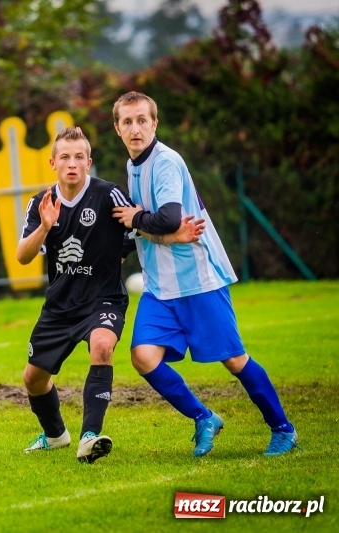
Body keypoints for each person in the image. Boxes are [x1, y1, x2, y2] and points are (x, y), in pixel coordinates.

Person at [111, 91, 298, 457]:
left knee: (234, 359)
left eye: (142, 120)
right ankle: (203, 417)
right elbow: (160, 226)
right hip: (160, 286)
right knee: (143, 356)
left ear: (155, 123)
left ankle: (283, 428)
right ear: (117, 128)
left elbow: (164, 217)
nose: (136, 128)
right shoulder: (133, 166)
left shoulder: (165, 161)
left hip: (197, 279)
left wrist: (138, 222)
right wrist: (140, 233)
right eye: (128, 122)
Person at [18, 126, 203, 462]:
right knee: (33, 379)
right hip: (59, 306)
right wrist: (45, 226)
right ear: (52, 163)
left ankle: (90, 436)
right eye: (64, 157)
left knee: (102, 346)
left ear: (88, 161)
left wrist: (172, 236)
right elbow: (23, 256)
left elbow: (138, 228)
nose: (71, 163)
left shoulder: (108, 195)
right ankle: (56, 435)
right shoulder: (41, 203)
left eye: (78, 157)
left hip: (103, 299)